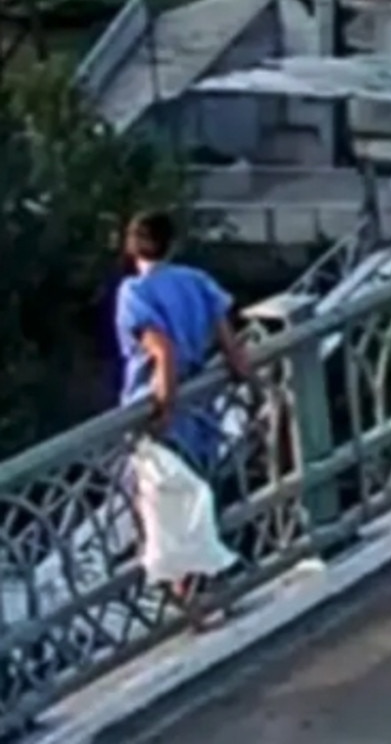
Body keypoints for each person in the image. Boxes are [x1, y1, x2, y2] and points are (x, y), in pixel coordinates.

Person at [115, 210, 250, 597]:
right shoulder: (196, 280)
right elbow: (230, 342)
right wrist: (251, 381)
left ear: (131, 247)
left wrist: (165, 405)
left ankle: (186, 597)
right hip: (202, 405)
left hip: (157, 409)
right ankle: (213, 584)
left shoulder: (134, 293)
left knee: (161, 508)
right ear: (172, 243)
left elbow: (163, 351)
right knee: (199, 497)